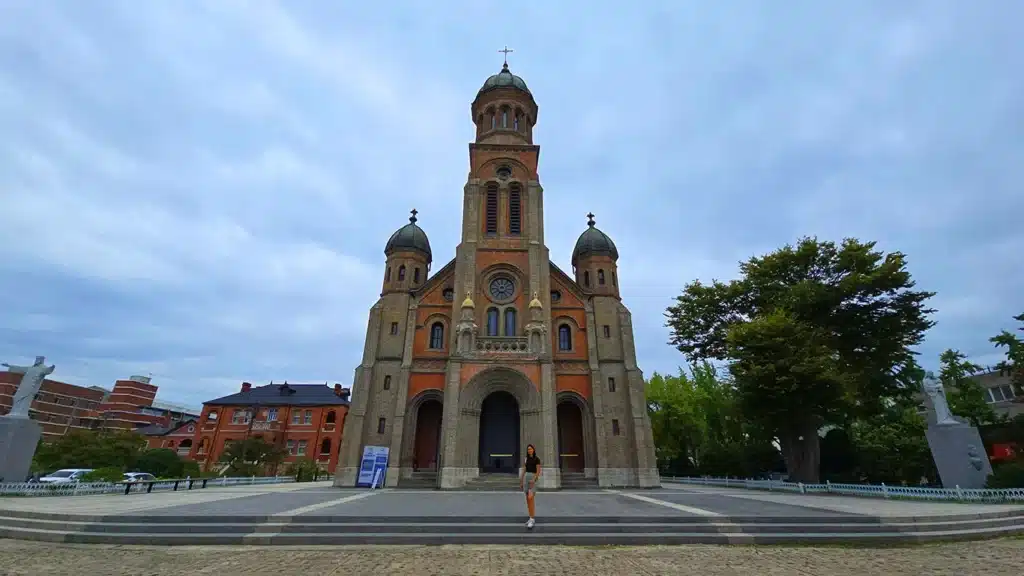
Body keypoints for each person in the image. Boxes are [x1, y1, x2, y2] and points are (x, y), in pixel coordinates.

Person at [520, 444, 541, 529]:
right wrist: (521, 480)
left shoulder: (537, 459)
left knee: (531, 498)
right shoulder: (526, 459)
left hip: (532, 478)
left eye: (531, 449)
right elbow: (524, 469)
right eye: (528, 449)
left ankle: (532, 519)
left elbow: (538, 471)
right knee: (527, 500)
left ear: (533, 450)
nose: (529, 450)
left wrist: (534, 480)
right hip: (526, 478)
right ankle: (530, 517)